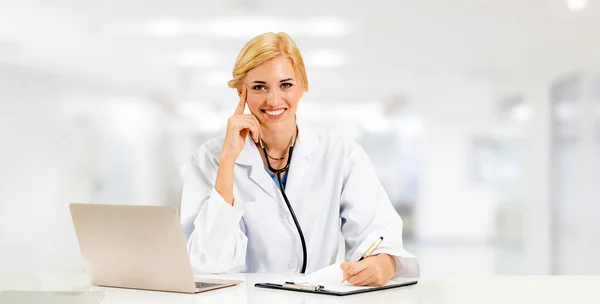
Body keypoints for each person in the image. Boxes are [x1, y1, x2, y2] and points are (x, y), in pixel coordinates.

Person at [180, 32, 419, 286]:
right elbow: (207, 265)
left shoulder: (341, 155)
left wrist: (385, 262)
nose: (273, 99)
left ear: (302, 86)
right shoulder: (210, 160)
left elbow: (379, 233)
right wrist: (227, 161)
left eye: (286, 85)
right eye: (259, 87)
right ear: (242, 92)